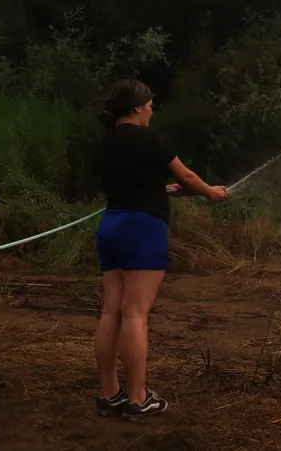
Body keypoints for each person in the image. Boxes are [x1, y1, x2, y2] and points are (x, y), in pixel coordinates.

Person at [93, 79, 228, 420]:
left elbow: (133, 181)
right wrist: (211, 192)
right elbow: (187, 176)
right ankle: (138, 398)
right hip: (142, 228)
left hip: (112, 226)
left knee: (111, 312)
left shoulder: (106, 142)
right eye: (150, 105)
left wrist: (161, 187)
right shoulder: (150, 139)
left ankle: (108, 394)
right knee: (135, 314)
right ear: (137, 107)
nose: (152, 111)